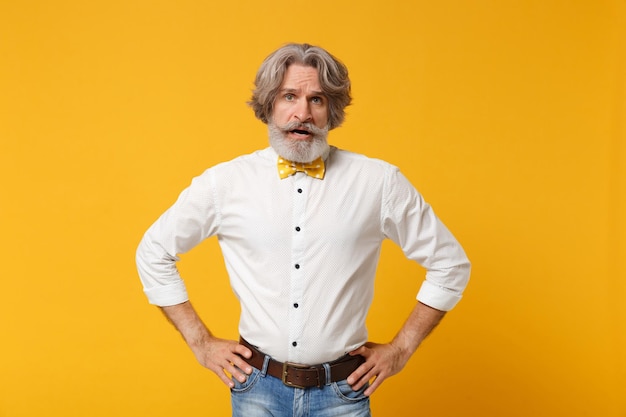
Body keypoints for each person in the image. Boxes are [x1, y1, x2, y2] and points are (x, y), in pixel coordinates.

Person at [136, 43, 470, 417]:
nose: (302, 113)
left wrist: (401, 349)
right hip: (256, 389)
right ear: (268, 105)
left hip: (343, 393)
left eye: (317, 99)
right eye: (289, 96)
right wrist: (201, 343)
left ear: (332, 111)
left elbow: (450, 264)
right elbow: (154, 252)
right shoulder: (224, 183)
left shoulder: (378, 183)